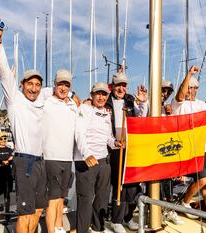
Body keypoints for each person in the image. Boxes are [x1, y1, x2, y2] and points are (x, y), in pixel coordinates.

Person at [0, 19, 47, 233]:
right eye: (29, 84)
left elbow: (61, 93)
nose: (34, 88)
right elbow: (4, 71)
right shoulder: (15, 100)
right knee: (25, 213)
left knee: (39, 209)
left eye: (37, 84)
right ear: (21, 85)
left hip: (41, 161)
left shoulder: (42, 99)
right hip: (25, 162)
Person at [171, 65, 206, 220]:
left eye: (194, 88)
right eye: (188, 87)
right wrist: (189, 74)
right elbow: (179, 96)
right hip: (189, 150)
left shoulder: (202, 104)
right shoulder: (178, 103)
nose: (190, 91)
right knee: (203, 179)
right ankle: (184, 203)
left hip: (203, 148)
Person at [74, 82, 123, 233]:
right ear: (92, 95)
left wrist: (116, 143)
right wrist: (86, 153)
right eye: (98, 94)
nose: (101, 97)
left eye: (104, 94)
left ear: (107, 96)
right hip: (86, 161)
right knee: (85, 200)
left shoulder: (107, 113)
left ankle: (97, 228)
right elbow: (79, 133)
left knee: (102, 198)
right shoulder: (84, 109)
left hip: (104, 161)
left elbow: (108, 137)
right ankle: (82, 230)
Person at [106, 72, 148, 233]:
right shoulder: (107, 102)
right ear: (112, 86)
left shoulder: (130, 100)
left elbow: (141, 118)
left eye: (124, 85)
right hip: (113, 150)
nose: (121, 88)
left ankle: (128, 217)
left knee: (132, 185)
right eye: (118, 85)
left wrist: (143, 102)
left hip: (130, 149)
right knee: (118, 185)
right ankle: (116, 220)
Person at [43, 69, 78, 233]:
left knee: (61, 198)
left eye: (66, 85)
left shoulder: (72, 104)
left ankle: (58, 228)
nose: (63, 88)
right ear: (54, 85)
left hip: (67, 157)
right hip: (51, 157)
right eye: (60, 84)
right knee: (53, 199)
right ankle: (51, 230)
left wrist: (73, 97)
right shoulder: (47, 100)